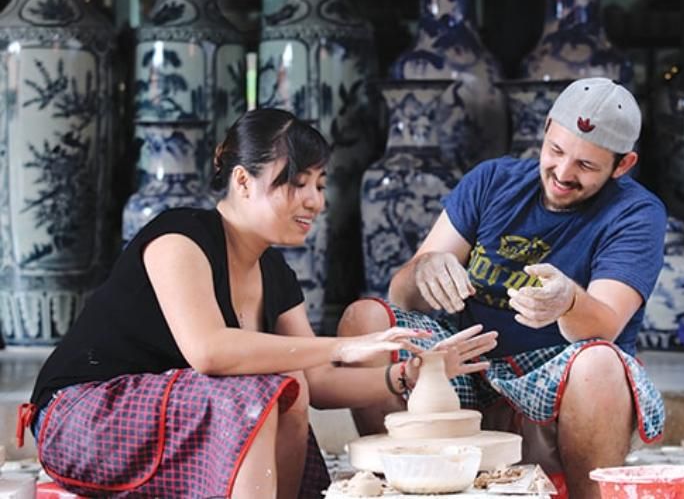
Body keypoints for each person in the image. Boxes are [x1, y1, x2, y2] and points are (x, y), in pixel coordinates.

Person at [18, 108, 498, 499]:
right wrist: (339, 346)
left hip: (166, 426)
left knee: (285, 384)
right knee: (259, 392)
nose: (315, 201)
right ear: (243, 181)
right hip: (82, 419)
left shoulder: (274, 272)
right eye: (296, 183)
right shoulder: (179, 236)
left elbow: (315, 382)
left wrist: (412, 374)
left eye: (320, 183)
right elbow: (209, 351)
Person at [339, 78, 667, 498]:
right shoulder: (493, 180)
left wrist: (568, 300)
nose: (564, 173)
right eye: (557, 151)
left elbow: (604, 324)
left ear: (622, 165)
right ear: (546, 129)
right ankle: (406, 486)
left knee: (601, 363)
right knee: (364, 319)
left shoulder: (636, 213)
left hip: (555, 379)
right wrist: (425, 269)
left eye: (586, 166)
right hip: (470, 368)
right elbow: (400, 296)